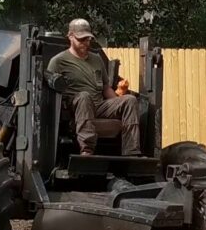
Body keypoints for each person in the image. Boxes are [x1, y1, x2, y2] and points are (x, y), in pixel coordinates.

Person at [46, 18, 141, 156]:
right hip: (77, 107)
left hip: (99, 105)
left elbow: (106, 88)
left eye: (88, 39)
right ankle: (87, 149)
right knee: (84, 96)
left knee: (130, 100)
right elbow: (51, 93)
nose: (86, 42)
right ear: (71, 37)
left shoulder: (96, 59)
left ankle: (131, 151)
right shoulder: (58, 61)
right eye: (82, 39)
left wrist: (117, 103)